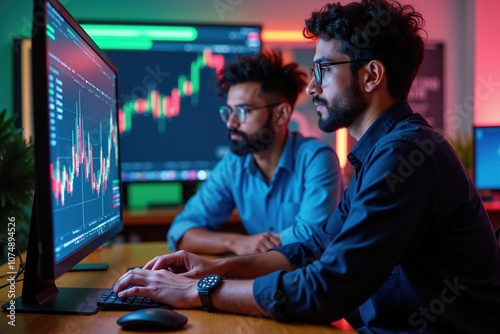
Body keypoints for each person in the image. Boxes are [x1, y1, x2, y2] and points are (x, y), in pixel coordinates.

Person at [114, 1, 500, 332]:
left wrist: (198, 291)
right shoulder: (380, 153)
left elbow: (328, 287)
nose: (312, 87)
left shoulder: (407, 155)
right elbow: (314, 249)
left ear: (371, 76)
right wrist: (215, 267)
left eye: (323, 70)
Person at [167, 50, 344, 255]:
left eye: (243, 111)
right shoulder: (234, 165)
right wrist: (235, 243)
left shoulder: (317, 158)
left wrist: (254, 246)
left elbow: (312, 238)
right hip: (262, 278)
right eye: (229, 111)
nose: (232, 122)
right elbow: (180, 230)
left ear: (280, 115)